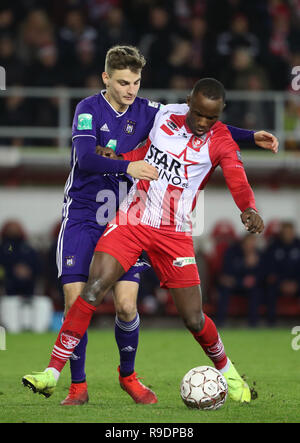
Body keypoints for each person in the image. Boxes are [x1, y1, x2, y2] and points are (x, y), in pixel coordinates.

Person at [30, 44, 278, 406]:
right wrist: (123, 160)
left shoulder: (221, 140)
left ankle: (230, 374)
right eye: (198, 113)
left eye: (212, 118)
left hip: (175, 232)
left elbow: (238, 180)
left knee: (193, 318)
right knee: (93, 288)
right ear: (187, 103)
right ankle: (54, 373)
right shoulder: (165, 115)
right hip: (132, 218)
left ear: (219, 116)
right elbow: (128, 154)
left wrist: (249, 202)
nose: (202, 122)